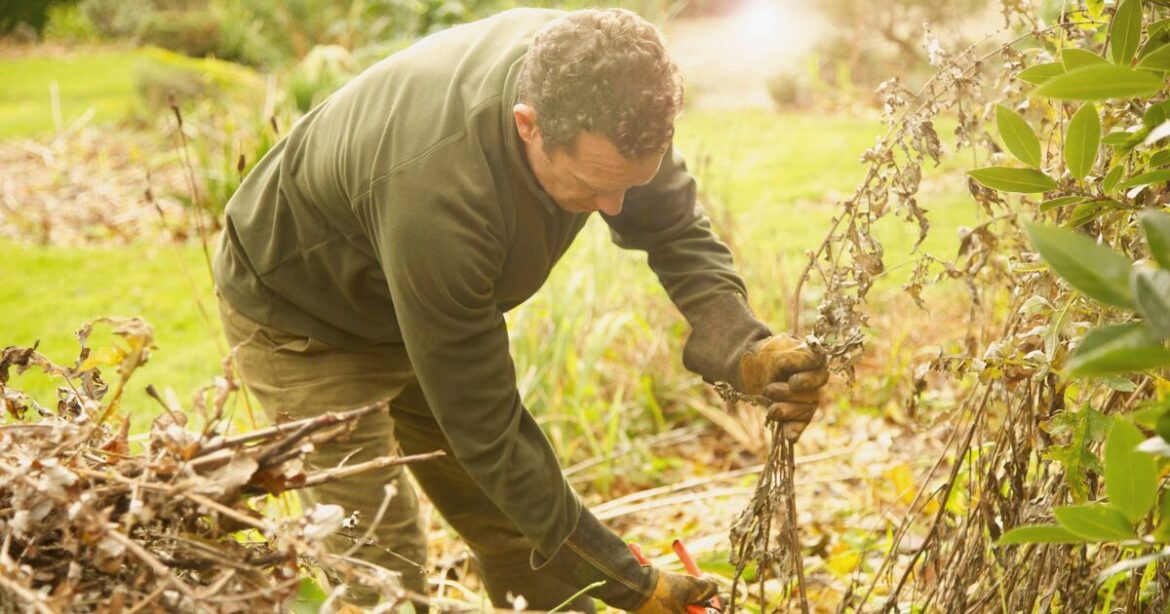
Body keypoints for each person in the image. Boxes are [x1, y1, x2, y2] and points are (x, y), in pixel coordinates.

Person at [213, 7, 828, 612]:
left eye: (629, 183)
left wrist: (742, 345)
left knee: (518, 531)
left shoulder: (616, 91)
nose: (615, 208)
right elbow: (487, 430)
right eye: (592, 185)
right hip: (305, 314)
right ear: (527, 125)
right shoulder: (442, 197)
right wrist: (629, 582)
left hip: (427, 295)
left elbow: (672, 227)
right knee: (380, 565)